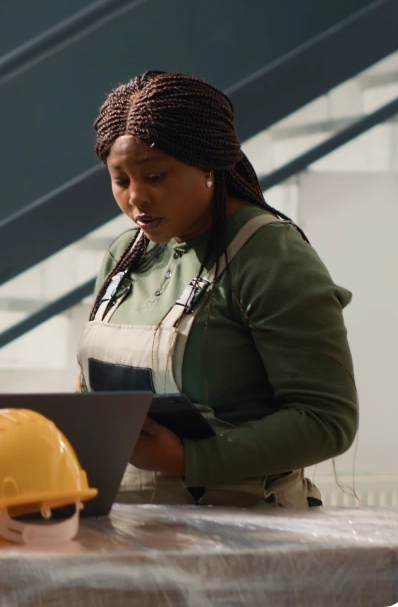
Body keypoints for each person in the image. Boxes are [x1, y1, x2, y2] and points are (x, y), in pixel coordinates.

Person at [76, 70, 358, 509]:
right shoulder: (125, 255)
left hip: (242, 530)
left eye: (155, 175)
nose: (136, 198)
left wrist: (189, 458)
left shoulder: (269, 257)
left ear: (208, 164)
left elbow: (327, 420)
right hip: (126, 521)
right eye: (121, 179)